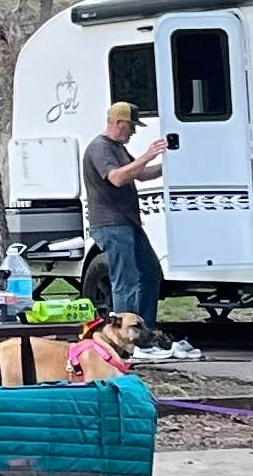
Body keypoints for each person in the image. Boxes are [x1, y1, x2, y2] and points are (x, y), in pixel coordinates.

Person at [79, 100, 190, 358]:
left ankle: (146, 331)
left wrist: (169, 166)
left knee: (150, 273)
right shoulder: (100, 148)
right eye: (131, 126)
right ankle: (124, 340)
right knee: (125, 281)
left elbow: (138, 174)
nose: (134, 132)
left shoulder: (117, 148)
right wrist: (147, 155)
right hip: (111, 224)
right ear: (118, 123)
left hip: (129, 224)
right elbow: (117, 178)